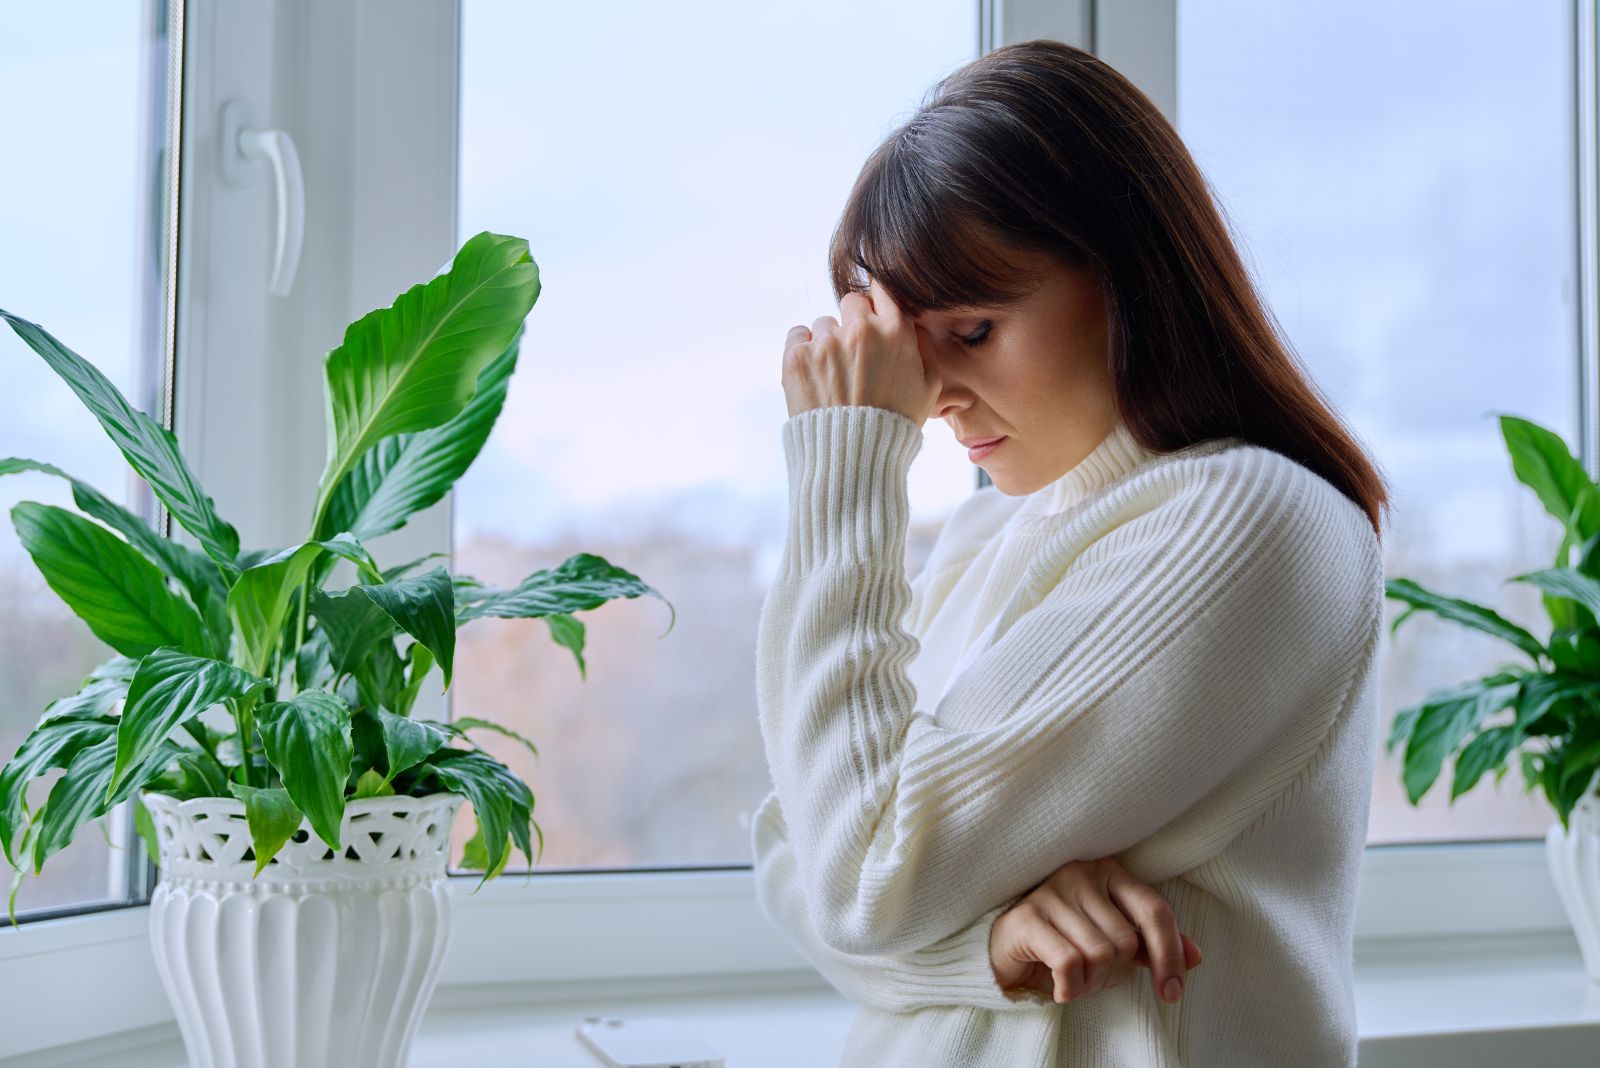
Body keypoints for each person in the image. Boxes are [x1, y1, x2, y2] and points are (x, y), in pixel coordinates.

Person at [749, 37, 1389, 1068]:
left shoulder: (1250, 519)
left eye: (972, 329)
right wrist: (985, 947)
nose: (935, 397)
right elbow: (798, 861)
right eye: (913, 349)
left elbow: (860, 883)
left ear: (1129, 278)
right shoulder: (988, 533)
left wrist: (846, 470)